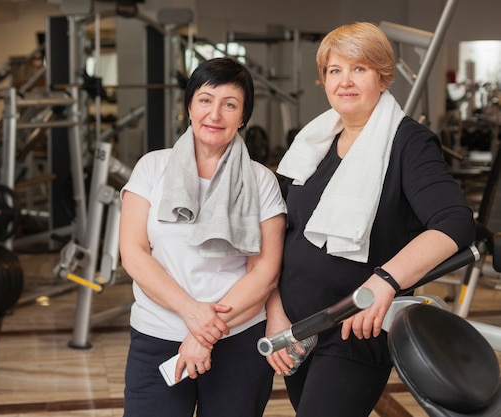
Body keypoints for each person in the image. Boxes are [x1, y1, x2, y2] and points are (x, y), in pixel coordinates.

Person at [264, 22, 476, 417]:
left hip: (353, 331)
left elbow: (454, 223)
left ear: (382, 77)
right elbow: (280, 232)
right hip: (298, 328)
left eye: (359, 69)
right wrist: (276, 311)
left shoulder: (408, 142)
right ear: (323, 80)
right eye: (334, 70)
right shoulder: (311, 143)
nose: (345, 81)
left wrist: (385, 282)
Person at [119, 57, 287, 417]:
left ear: (243, 116)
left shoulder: (261, 181)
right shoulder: (152, 168)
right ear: (190, 106)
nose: (215, 114)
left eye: (230, 104)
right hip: (157, 336)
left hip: (239, 339)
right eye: (206, 100)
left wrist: (202, 333)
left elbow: (265, 271)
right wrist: (191, 313)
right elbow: (133, 254)